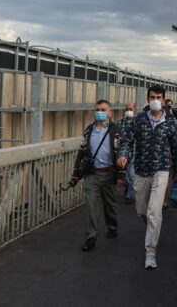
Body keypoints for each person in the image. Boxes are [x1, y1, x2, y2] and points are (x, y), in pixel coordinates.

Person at [118, 85, 177, 269]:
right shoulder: (139, 120)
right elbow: (126, 140)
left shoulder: (170, 122)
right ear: (148, 99)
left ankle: (150, 252)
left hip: (161, 171)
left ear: (163, 100)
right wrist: (122, 154)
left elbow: (176, 149)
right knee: (142, 211)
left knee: (154, 212)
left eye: (159, 97)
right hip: (141, 171)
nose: (155, 100)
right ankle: (152, 230)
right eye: (152, 97)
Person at [71, 100, 124, 252]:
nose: (99, 112)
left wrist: (121, 174)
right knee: (91, 207)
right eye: (97, 109)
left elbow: (122, 152)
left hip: (109, 174)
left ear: (109, 112)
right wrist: (76, 173)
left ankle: (112, 226)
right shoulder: (88, 130)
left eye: (102, 109)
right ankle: (91, 237)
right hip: (92, 174)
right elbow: (81, 152)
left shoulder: (116, 130)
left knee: (110, 205)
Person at [117, 103, 137, 204]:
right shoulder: (120, 122)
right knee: (124, 175)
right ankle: (129, 186)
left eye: (131, 109)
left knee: (132, 174)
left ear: (135, 110)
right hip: (122, 153)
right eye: (127, 109)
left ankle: (129, 195)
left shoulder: (138, 122)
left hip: (134, 151)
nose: (128, 111)